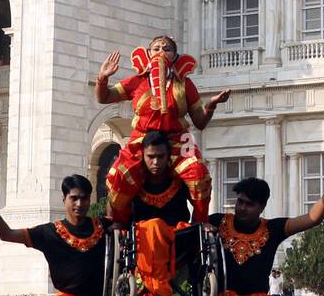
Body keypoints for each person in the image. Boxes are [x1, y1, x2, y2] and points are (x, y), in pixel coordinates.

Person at [95, 35, 229, 224]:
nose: (160, 52)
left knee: (199, 176)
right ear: (147, 54)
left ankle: (200, 224)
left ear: (175, 56)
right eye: (156, 48)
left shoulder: (184, 84)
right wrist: (102, 78)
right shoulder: (137, 81)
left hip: (177, 141)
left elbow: (199, 121)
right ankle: (120, 226)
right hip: (142, 142)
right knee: (118, 176)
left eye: (166, 49)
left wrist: (212, 105)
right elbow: (105, 97)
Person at [118, 128, 204, 296]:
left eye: (161, 157)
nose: (156, 163)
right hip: (142, 260)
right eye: (151, 157)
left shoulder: (180, 182)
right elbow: (118, 218)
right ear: (142, 156)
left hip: (174, 252)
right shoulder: (135, 184)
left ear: (169, 157)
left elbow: (198, 213)